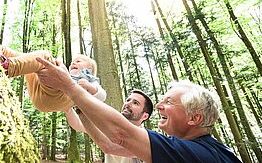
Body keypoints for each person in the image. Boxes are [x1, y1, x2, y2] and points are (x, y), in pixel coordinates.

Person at [35, 57, 243, 163]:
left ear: (195, 117)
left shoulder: (198, 153)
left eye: (168, 102)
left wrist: (70, 87)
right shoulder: (186, 147)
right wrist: (78, 102)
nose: (160, 106)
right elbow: (109, 145)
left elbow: (121, 134)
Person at [0, 34, 106, 112]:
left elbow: (102, 95)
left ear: (89, 69)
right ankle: (2, 51)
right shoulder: (69, 74)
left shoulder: (89, 78)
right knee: (31, 63)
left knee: (44, 57)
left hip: (58, 95)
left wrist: (89, 86)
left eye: (78, 61)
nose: (72, 64)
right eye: (72, 62)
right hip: (43, 97)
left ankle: (7, 68)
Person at [65, 89, 153, 163]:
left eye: (135, 103)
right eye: (128, 100)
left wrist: (81, 103)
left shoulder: (145, 139)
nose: (128, 104)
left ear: (144, 116)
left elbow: (109, 147)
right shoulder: (111, 126)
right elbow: (77, 125)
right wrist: (66, 105)